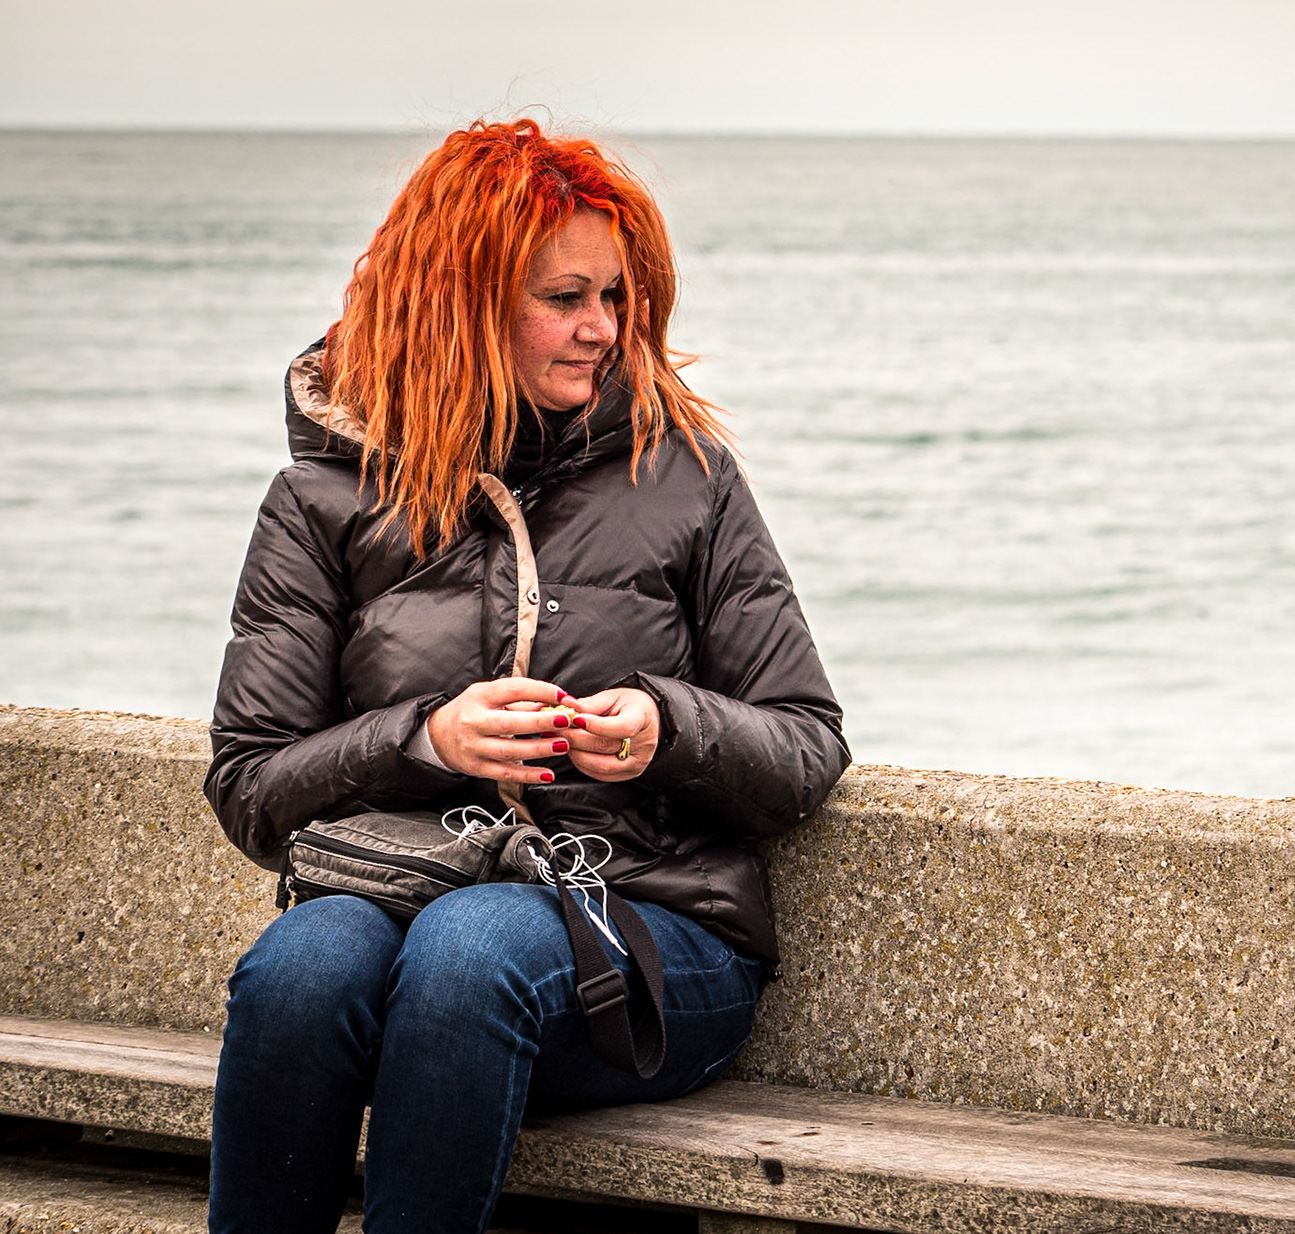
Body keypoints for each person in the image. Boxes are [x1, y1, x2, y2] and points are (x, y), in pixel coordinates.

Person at [202, 119, 849, 1233]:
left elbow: (804, 743)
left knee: (474, 949)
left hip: (653, 926)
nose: (604, 328)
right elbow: (250, 785)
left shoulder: (687, 476)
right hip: (398, 896)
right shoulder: (319, 501)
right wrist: (425, 739)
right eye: (566, 297)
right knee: (303, 964)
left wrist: (669, 730)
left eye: (617, 296)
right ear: (462, 300)